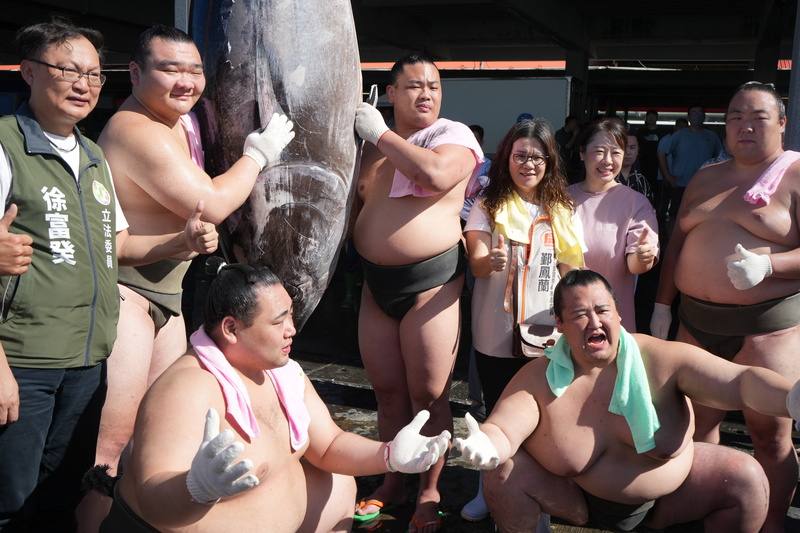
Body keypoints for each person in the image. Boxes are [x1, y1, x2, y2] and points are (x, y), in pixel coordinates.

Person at [0, 20, 217, 532]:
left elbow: (116, 246)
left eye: (95, 75)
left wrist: (180, 242)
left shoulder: (93, 156)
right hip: (24, 360)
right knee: (10, 497)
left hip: (85, 359)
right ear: (29, 73)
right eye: (69, 70)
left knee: (60, 492)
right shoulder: (5, 147)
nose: (84, 85)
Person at [77, 25, 295, 531]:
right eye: (169, 69)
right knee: (108, 451)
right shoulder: (134, 128)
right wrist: (258, 155)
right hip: (130, 292)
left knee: (148, 440)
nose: (186, 81)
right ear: (135, 73)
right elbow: (211, 203)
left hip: (168, 293)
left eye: (194, 69)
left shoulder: (180, 122)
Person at [100, 262, 450, 532]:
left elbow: (328, 446)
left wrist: (389, 455)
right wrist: (195, 487)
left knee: (339, 479)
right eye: (279, 321)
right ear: (231, 329)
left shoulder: (282, 371)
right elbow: (153, 500)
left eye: (291, 316)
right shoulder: (188, 388)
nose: (292, 330)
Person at [454, 269, 793, 533]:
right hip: (574, 499)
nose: (594, 321)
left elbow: (741, 382)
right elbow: (503, 428)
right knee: (502, 472)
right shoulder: (539, 378)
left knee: (745, 478)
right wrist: (487, 444)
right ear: (559, 323)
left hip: (667, 499)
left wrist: (791, 398)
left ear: (617, 314)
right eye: (579, 314)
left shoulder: (663, 360)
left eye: (602, 309)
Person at [651, 81, 800, 531]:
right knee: (696, 428)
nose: (745, 126)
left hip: (768, 328)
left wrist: (770, 266)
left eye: (757, 117)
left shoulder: (795, 175)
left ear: (782, 123)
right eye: (735, 116)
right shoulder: (705, 176)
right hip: (696, 323)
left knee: (769, 436)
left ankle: (773, 523)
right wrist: (662, 306)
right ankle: (709, 512)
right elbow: (677, 242)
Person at [352, 53, 483, 531]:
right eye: (413, 86)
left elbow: (434, 175)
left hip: (432, 282)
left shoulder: (453, 136)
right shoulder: (368, 147)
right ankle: (393, 481)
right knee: (386, 392)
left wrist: (380, 135)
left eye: (433, 85)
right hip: (374, 284)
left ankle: (429, 490)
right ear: (390, 93)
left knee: (429, 394)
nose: (426, 93)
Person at [460, 118, 584, 522]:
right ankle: (489, 489)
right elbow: (476, 260)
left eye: (537, 156)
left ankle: (534, 495)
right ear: (506, 158)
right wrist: (487, 260)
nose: (528, 164)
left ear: (549, 161)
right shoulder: (487, 203)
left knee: (542, 418)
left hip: (547, 332)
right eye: (520, 156)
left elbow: (571, 268)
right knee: (495, 411)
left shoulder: (562, 208)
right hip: (495, 330)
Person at [568, 118, 659, 331]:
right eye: (599, 151)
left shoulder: (636, 203)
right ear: (582, 153)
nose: (608, 160)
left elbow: (634, 265)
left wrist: (643, 256)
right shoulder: (560, 199)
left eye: (616, 152)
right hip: (565, 318)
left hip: (612, 320)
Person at [657, 105, 722, 220]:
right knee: (676, 216)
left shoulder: (712, 136)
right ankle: (674, 238)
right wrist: (667, 176)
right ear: (689, 117)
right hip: (681, 184)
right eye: (693, 112)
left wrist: (716, 179)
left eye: (699, 112)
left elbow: (721, 158)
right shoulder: (679, 135)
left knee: (702, 216)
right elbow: (661, 152)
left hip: (704, 185)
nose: (696, 115)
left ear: (704, 117)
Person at [616, 131, 654, 205]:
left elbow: (649, 210)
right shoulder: (606, 178)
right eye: (623, 147)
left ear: (638, 151)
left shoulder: (642, 181)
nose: (628, 152)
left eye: (632, 147)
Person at [554, 115, 581, 184]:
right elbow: (567, 146)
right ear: (570, 123)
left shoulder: (571, 134)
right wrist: (575, 136)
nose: (575, 126)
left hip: (568, 163)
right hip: (561, 163)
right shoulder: (560, 134)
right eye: (575, 123)